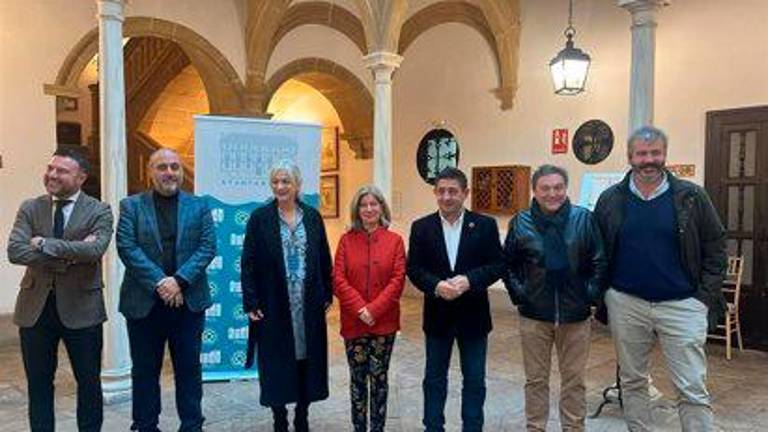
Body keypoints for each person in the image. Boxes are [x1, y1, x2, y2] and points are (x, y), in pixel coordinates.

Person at [594, 126, 726, 432]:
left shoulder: (692, 196)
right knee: (632, 381)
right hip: (626, 303)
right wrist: (603, 294)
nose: (649, 160)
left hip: (683, 305)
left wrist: (703, 299)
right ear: (630, 157)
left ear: (665, 154)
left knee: (691, 387)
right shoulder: (611, 199)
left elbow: (716, 245)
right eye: (642, 154)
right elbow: (597, 249)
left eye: (655, 153)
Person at [7, 148, 113, 432]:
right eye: (50, 168)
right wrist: (71, 255)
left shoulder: (99, 210)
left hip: (83, 309)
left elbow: (95, 250)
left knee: (88, 382)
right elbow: (15, 251)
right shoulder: (30, 207)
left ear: (81, 177)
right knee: (39, 384)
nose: (52, 175)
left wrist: (43, 244)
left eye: (62, 171)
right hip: (35, 309)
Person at [116, 148, 216, 432]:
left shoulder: (200, 206)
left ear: (181, 172)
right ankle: (145, 425)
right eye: (162, 167)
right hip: (143, 303)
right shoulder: (131, 206)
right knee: (145, 370)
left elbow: (207, 247)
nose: (169, 172)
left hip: (188, 302)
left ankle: (192, 425)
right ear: (150, 172)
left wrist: (179, 280)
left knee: (189, 368)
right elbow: (127, 247)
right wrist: (161, 282)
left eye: (174, 167)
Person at [503, 164, 606, 432]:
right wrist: (520, 295)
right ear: (535, 191)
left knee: (574, 381)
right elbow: (508, 264)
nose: (552, 194)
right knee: (536, 380)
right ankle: (535, 427)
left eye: (558, 187)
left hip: (575, 316)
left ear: (566, 188)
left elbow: (599, 261)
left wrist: (589, 296)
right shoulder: (521, 222)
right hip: (534, 316)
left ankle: (573, 427)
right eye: (545, 188)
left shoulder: (584, 219)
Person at [406, 167, 505, 432]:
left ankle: (472, 427)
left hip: (474, 317)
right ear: (435, 193)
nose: (446, 197)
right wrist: (436, 286)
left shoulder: (484, 225)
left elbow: (497, 265)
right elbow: (414, 269)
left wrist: (469, 280)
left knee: (474, 381)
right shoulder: (421, 227)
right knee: (434, 380)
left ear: (465, 193)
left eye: (453, 191)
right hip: (437, 317)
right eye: (441, 191)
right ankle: (433, 427)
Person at [241, 160, 333, 432]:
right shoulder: (260, 219)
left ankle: (302, 414)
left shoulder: (313, 217)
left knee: (306, 361)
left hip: (307, 304)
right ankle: (279, 416)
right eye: (276, 182)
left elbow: (324, 258)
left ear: (297, 185)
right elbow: (248, 263)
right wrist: (251, 301)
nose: (280, 187)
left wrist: (327, 293)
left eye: (286, 182)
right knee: (276, 362)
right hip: (273, 303)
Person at [333, 185, 406, 432]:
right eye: (363, 205)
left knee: (379, 379)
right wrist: (360, 309)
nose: (368, 209)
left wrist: (373, 310)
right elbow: (338, 279)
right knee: (357, 380)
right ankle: (358, 427)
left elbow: (398, 280)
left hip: (384, 322)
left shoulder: (395, 241)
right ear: (357, 210)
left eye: (374, 204)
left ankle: (377, 428)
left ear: (382, 208)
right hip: (354, 323)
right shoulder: (346, 241)